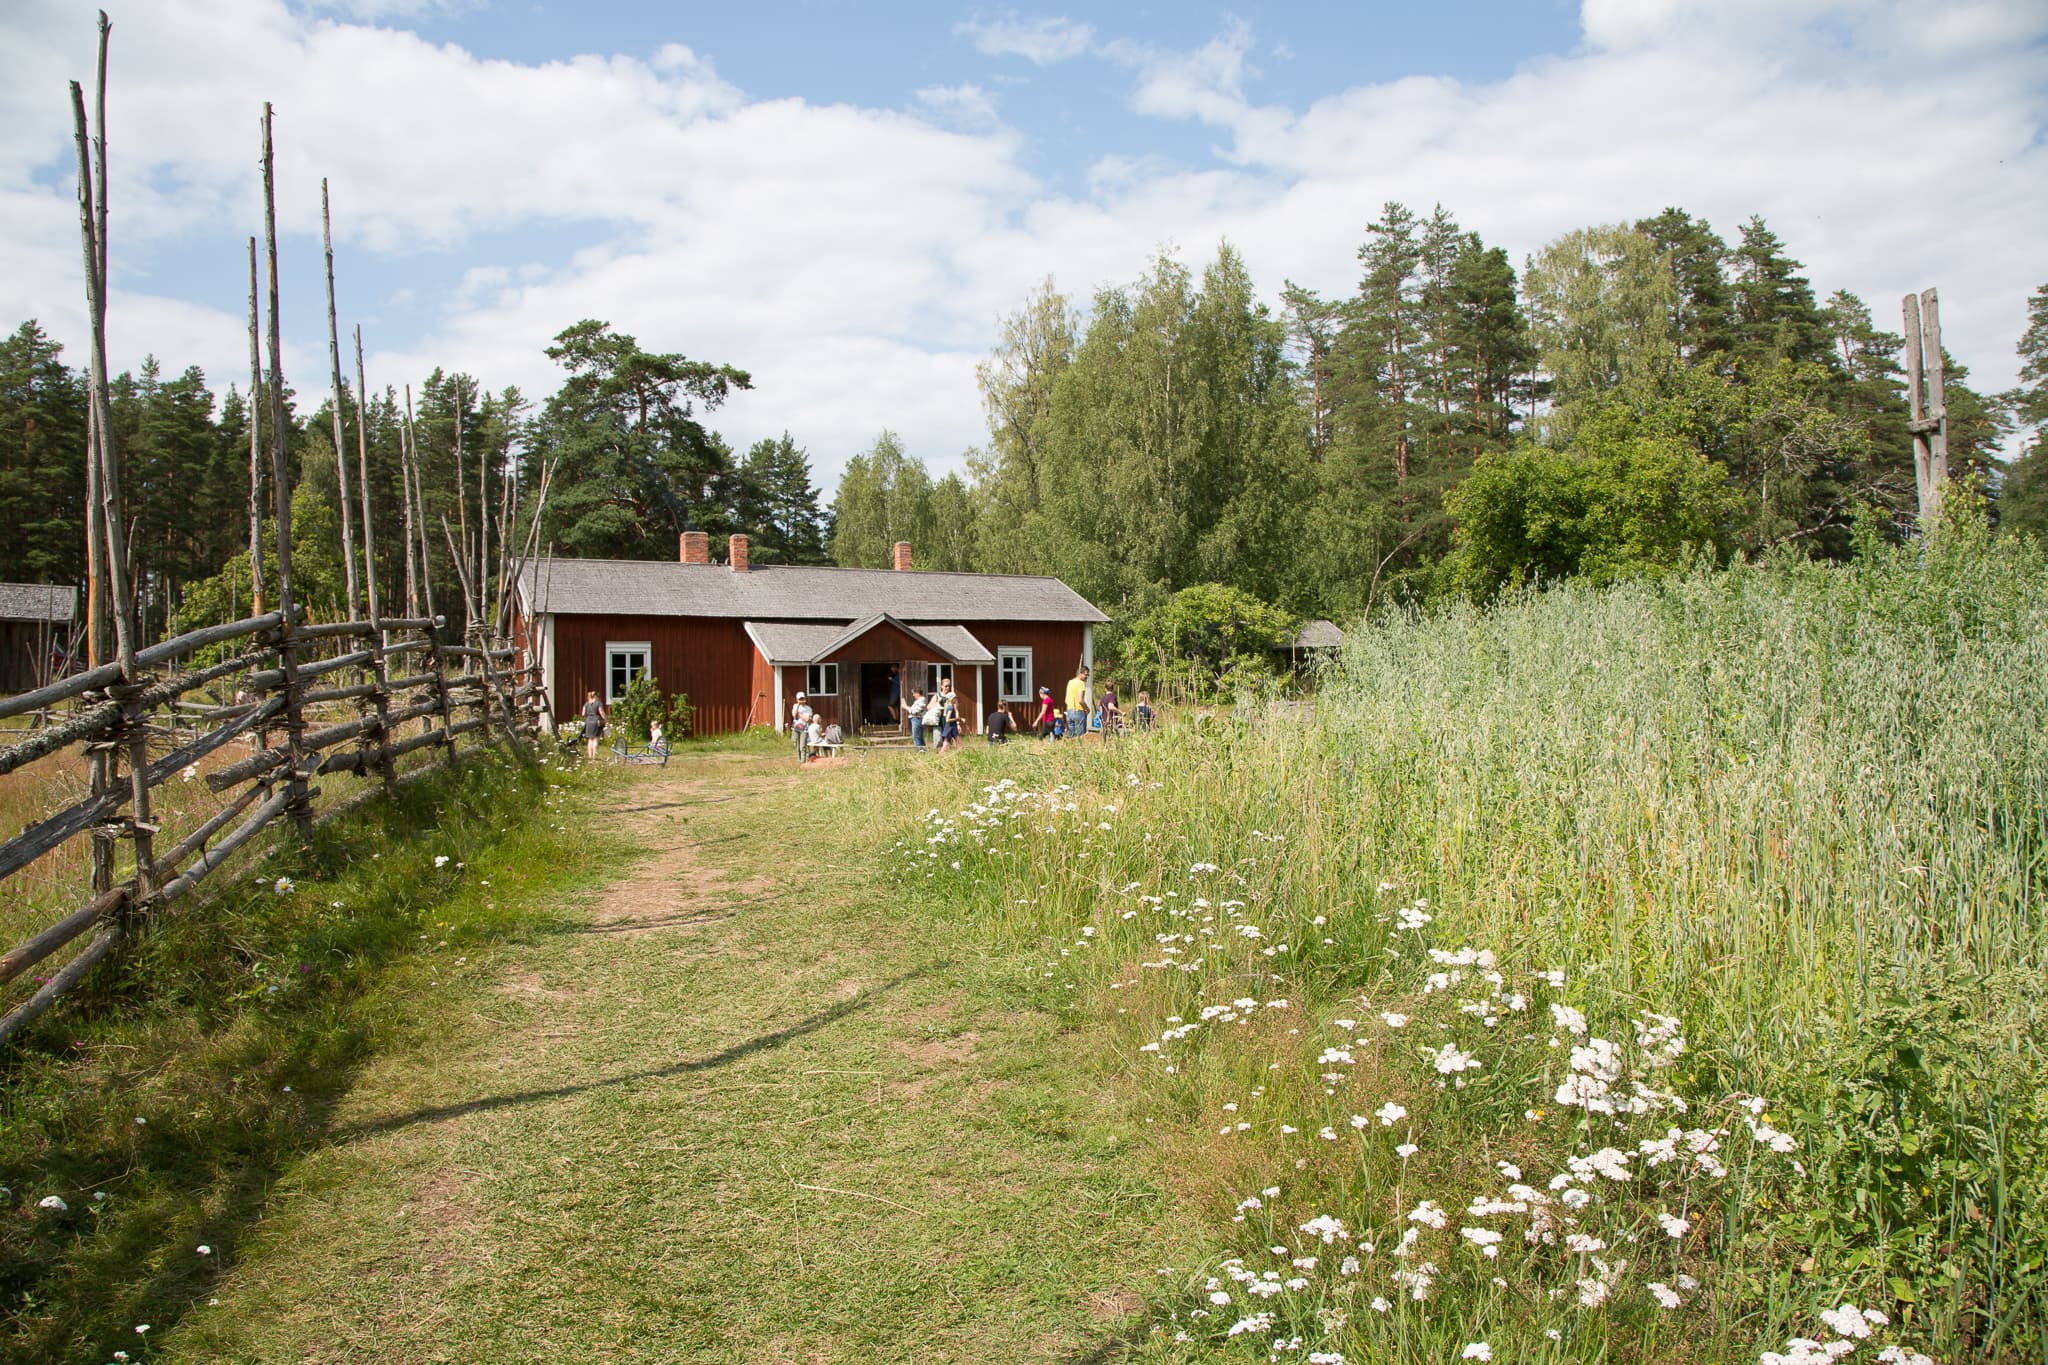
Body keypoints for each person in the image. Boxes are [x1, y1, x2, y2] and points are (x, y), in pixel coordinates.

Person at [1065, 663, 1090, 740]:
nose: (1087, 676)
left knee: (1072, 738)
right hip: (1079, 712)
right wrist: (1087, 709)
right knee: (1080, 739)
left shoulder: (1070, 682)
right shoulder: (1081, 683)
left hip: (1069, 712)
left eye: (1088, 675)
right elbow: (1080, 700)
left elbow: (1066, 700)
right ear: (1080, 673)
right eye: (1086, 674)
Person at [581, 690, 607, 759]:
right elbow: (601, 712)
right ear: (596, 696)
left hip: (588, 722)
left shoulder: (586, 704)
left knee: (590, 740)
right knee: (595, 739)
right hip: (596, 722)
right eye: (598, 696)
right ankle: (594, 757)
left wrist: (589, 715)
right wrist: (606, 719)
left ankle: (590, 756)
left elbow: (583, 714)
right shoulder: (598, 703)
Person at [922, 687, 946, 753]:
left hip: (948, 720)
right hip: (938, 720)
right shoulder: (937, 696)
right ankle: (937, 752)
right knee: (938, 738)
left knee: (947, 738)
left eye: (949, 686)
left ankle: (946, 752)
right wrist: (938, 702)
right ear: (942, 686)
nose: (948, 687)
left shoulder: (951, 695)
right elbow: (928, 707)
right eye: (946, 686)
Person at [791, 691, 813, 759]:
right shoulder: (795, 706)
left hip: (804, 729)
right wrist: (798, 704)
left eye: (802, 698)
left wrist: (800, 715)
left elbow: (808, 719)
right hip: (796, 728)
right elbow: (794, 715)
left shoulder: (808, 708)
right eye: (800, 699)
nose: (801, 700)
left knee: (802, 746)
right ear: (797, 699)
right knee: (797, 746)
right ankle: (799, 760)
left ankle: (803, 761)